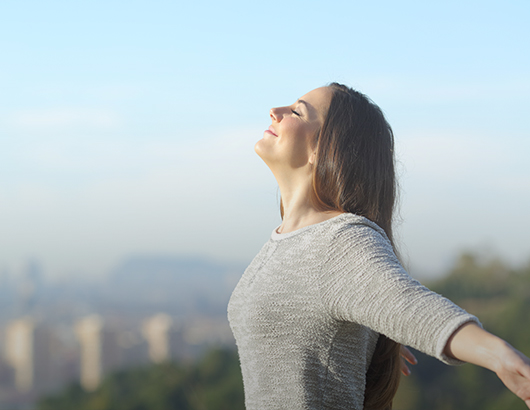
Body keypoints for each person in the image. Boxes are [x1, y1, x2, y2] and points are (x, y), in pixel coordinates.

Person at [227, 83, 530, 410]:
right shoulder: (286, 239)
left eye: (297, 111)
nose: (276, 111)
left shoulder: (339, 241)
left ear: (326, 149)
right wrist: (369, 331)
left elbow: (413, 307)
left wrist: (499, 356)